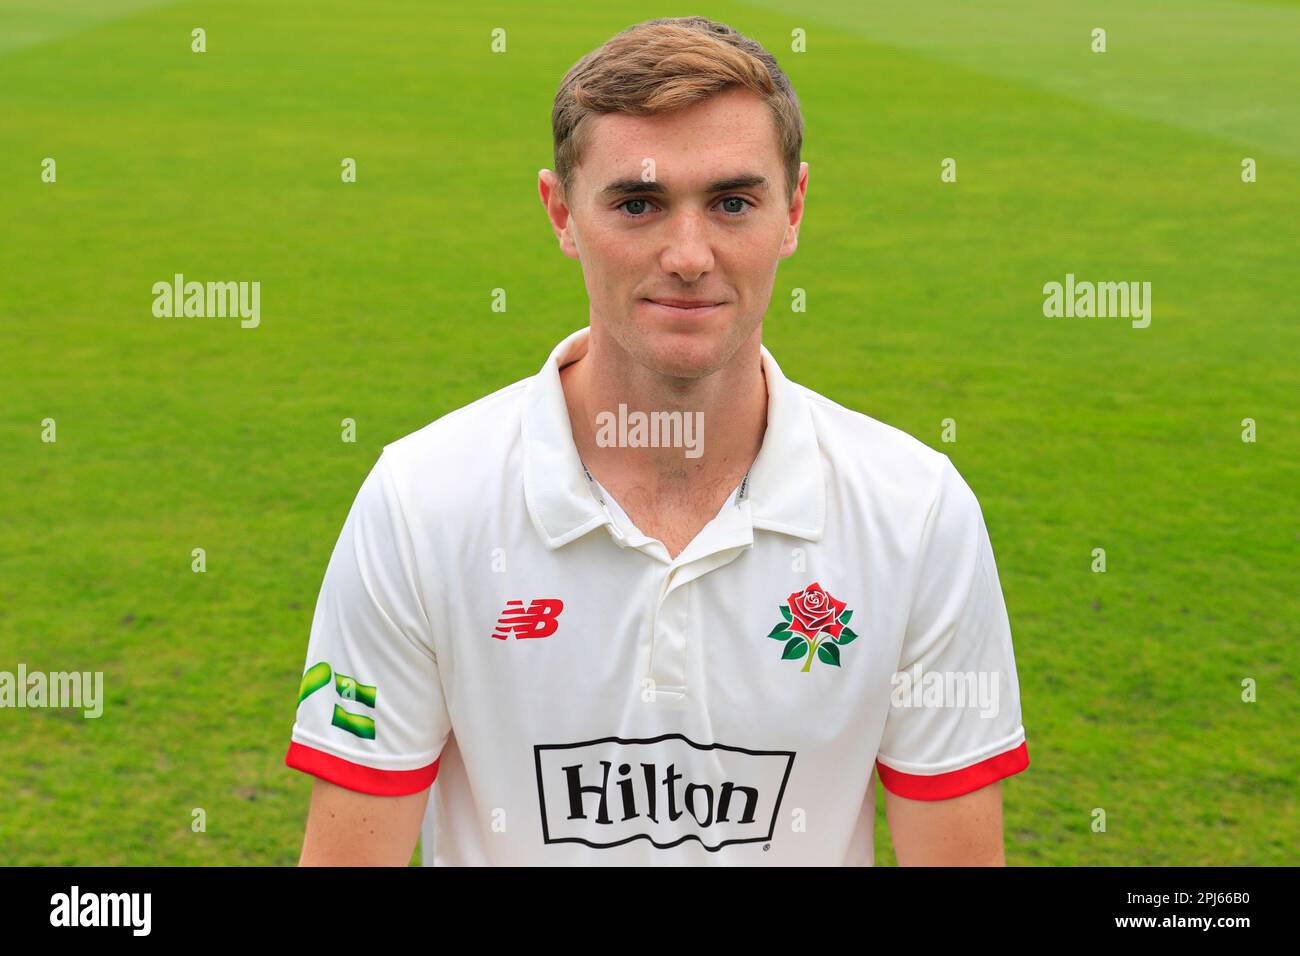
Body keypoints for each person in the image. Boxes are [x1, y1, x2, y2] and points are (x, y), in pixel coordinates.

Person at [286, 15, 1028, 866]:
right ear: (561, 214)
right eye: (638, 203)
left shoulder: (917, 511)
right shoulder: (421, 502)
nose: (687, 254)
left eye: (732, 202)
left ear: (794, 212)